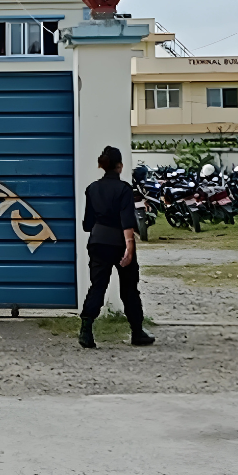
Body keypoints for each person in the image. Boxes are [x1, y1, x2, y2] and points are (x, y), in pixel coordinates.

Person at [79, 145, 155, 348]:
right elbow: (127, 221)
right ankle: (137, 332)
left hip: (97, 242)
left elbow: (87, 224)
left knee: (97, 286)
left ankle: (86, 329)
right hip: (119, 243)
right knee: (129, 289)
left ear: (103, 166)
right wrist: (130, 247)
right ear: (120, 166)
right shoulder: (124, 189)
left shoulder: (92, 188)